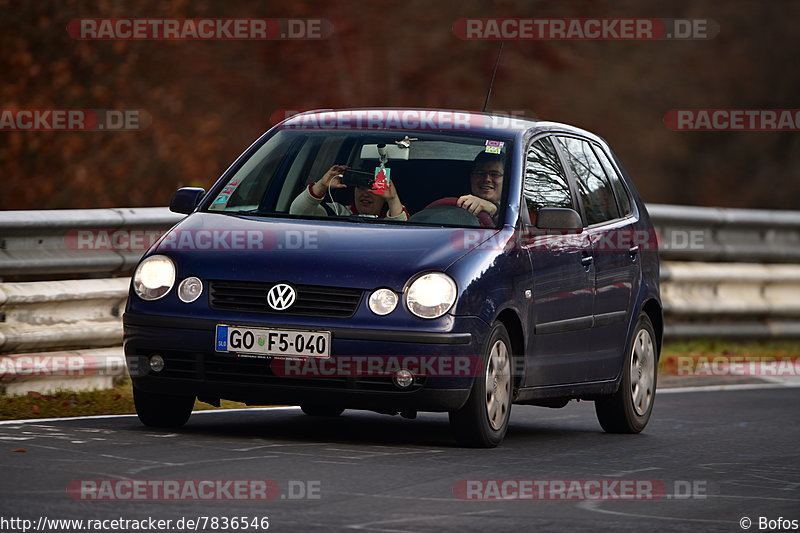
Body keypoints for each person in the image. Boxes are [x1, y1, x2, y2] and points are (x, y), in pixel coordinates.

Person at [290, 164, 409, 220]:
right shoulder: (337, 212)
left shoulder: (394, 215)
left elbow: (404, 235)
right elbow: (297, 213)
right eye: (360, 187)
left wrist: (392, 200)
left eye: (373, 188)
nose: (366, 193)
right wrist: (322, 185)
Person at [456, 152, 504, 222]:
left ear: (506, 179)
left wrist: (495, 210)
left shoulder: (515, 208)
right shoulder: (456, 204)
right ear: (471, 177)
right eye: (480, 173)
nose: (487, 179)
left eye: (495, 174)